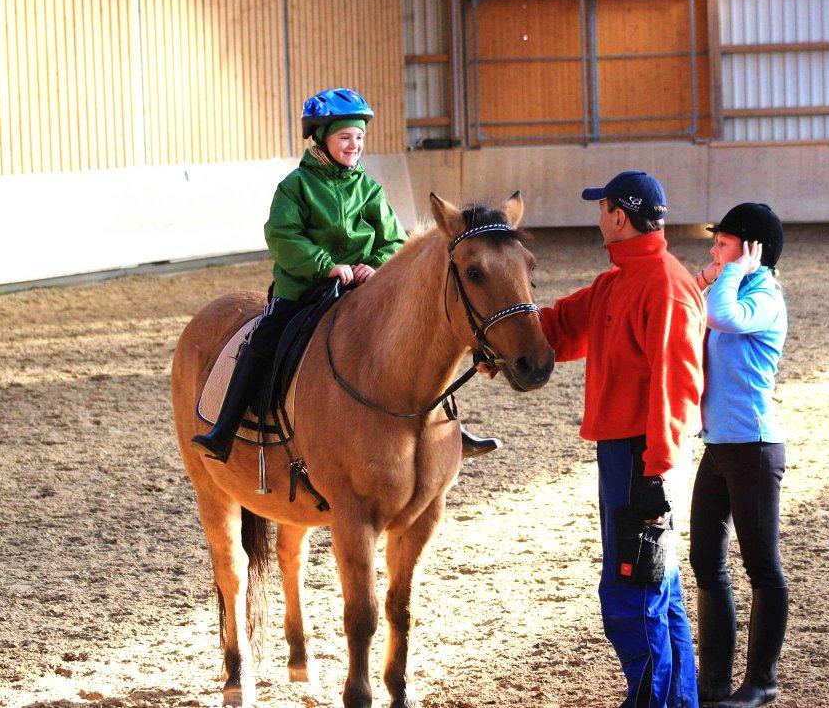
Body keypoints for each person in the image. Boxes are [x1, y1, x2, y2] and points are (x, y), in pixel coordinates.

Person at [192, 88, 499, 461]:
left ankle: (448, 428)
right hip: (304, 288)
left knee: (420, 341)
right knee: (262, 342)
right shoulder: (295, 188)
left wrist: (377, 264)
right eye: (345, 137)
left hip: (363, 290)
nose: (354, 144)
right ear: (321, 138)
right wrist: (326, 266)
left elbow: (393, 239)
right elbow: (282, 235)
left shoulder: (369, 189)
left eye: (359, 137)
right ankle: (225, 428)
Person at [539, 170, 705, 708]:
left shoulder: (665, 286)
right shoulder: (617, 281)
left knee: (631, 591)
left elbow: (677, 387)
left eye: (601, 208)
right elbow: (562, 326)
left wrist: (658, 472)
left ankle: (653, 701)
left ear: (618, 215)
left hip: (642, 456)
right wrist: (501, 331)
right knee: (660, 588)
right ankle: (677, 701)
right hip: (627, 452)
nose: (597, 218)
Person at [688, 203, 788, 708]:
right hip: (720, 444)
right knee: (705, 560)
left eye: (722, 244)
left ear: (752, 251)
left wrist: (731, 272)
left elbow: (719, 315)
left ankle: (762, 682)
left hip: (753, 446)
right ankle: (714, 684)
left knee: (762, 567)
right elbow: (688, 299)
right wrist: (718, 271)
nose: (713, 250)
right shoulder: (735, 284)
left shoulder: (764, 295)